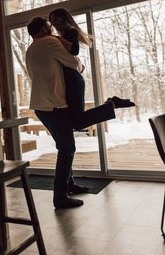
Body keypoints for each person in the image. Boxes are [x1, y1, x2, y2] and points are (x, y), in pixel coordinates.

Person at [25, 17, 135, 209]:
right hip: (55, 105)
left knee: (66, 143)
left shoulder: (30, 49)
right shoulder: (50, 42)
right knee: (67, 149)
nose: (52, 28)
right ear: (43, 28)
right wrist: (81, 67)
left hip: (41, 106)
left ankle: (70, 185)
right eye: (49, 26)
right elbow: (72, 62)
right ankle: (60, 197)